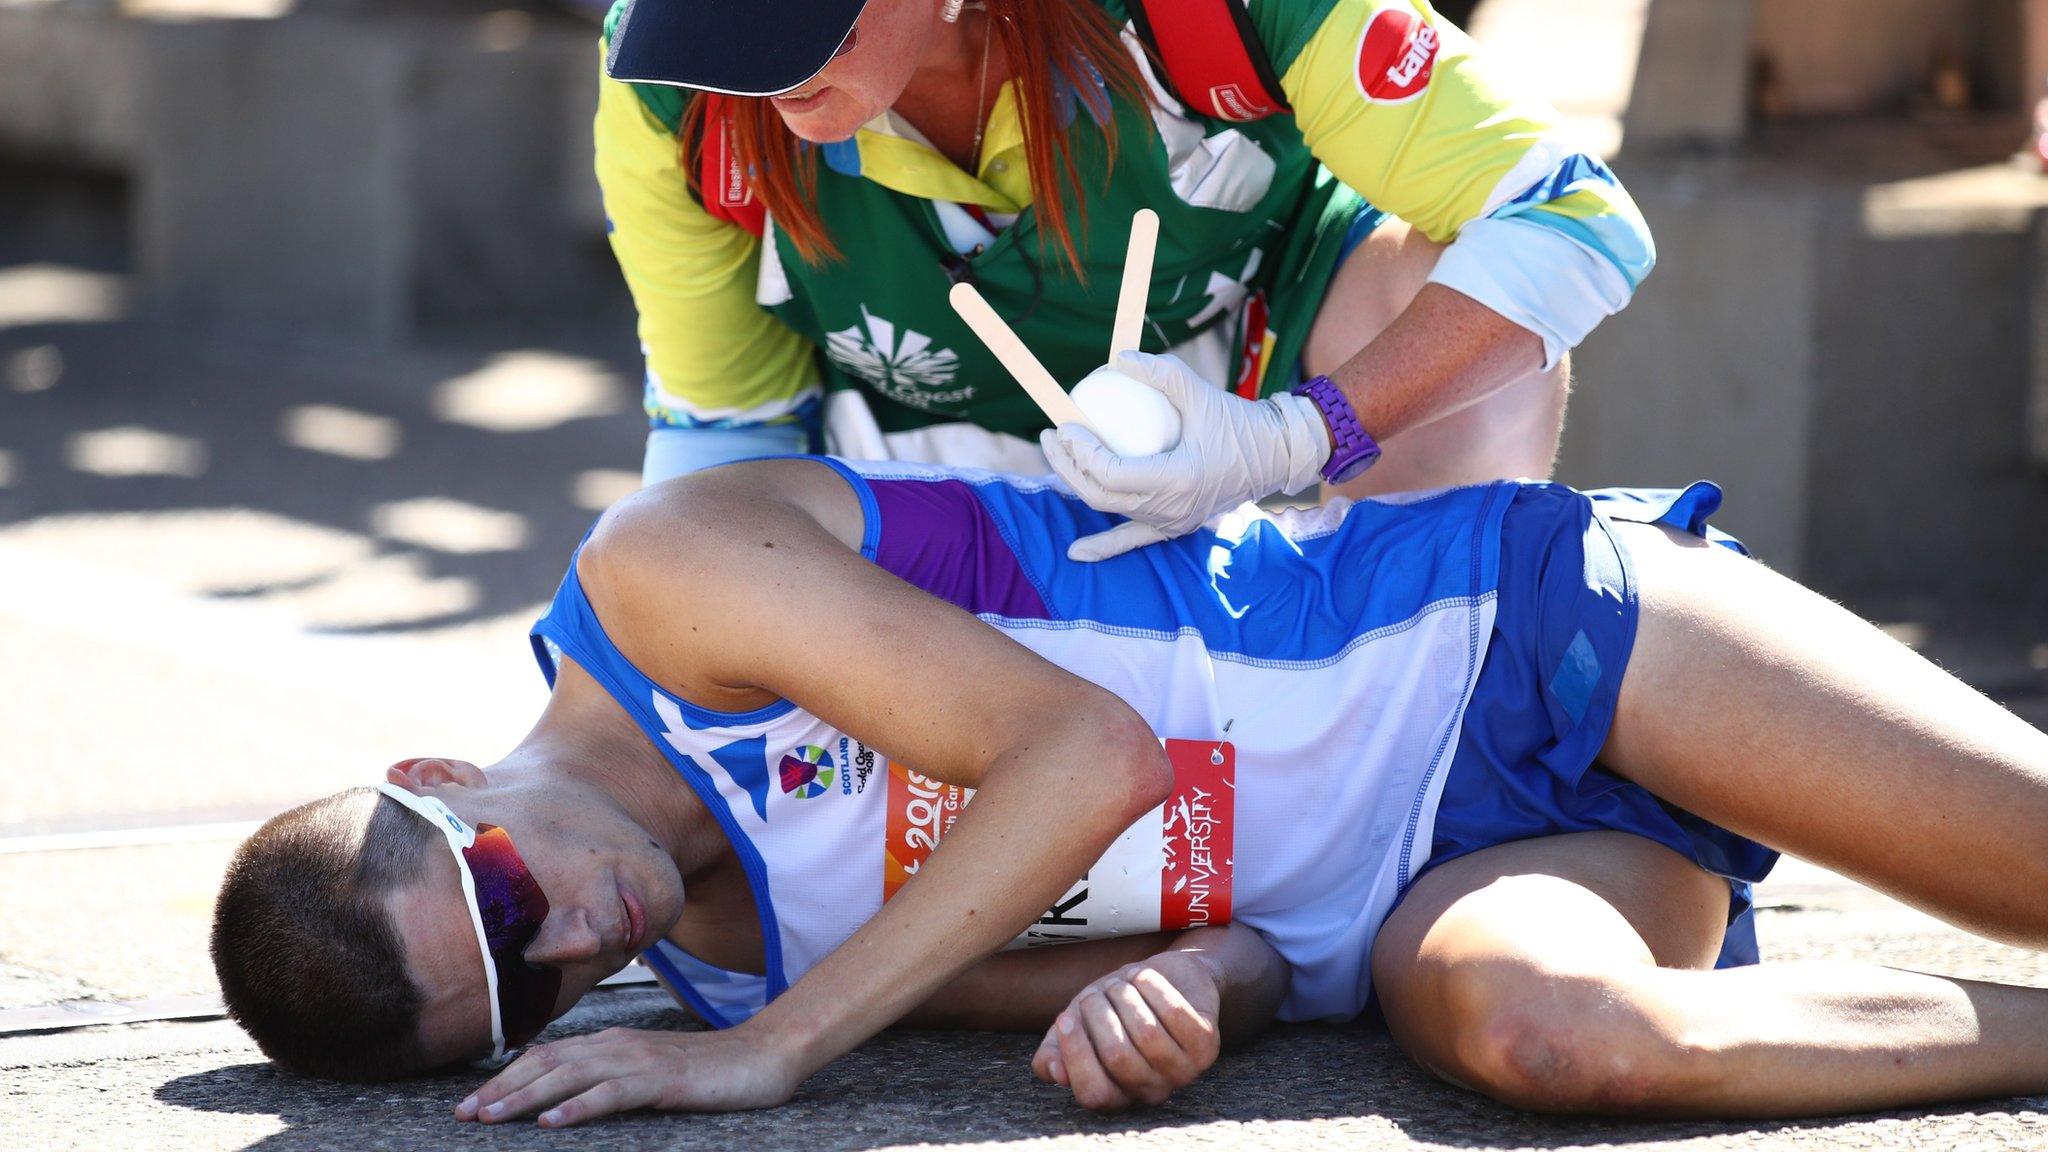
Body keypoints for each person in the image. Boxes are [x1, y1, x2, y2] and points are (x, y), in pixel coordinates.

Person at [210, 450, 2048, 1126]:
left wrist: (781, 1056)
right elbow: (1232, 947)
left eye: (506, 899)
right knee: (1563, 1044)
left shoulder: (662, 581)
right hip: (1435, 897)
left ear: (442, 776)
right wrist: (1185, 998)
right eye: (525, 988)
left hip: (1504, 632)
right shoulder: (730, 969)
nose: (572, 943)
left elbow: (1086, 758)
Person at [597, 0, 1655, 557]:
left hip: (1266, 392)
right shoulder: (671, 97)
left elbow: (1573, 219)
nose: (742, 64)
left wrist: (1294, 434)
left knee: (1488, 349)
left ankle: (1428, 702)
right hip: (913, 512)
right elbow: (723, 439)